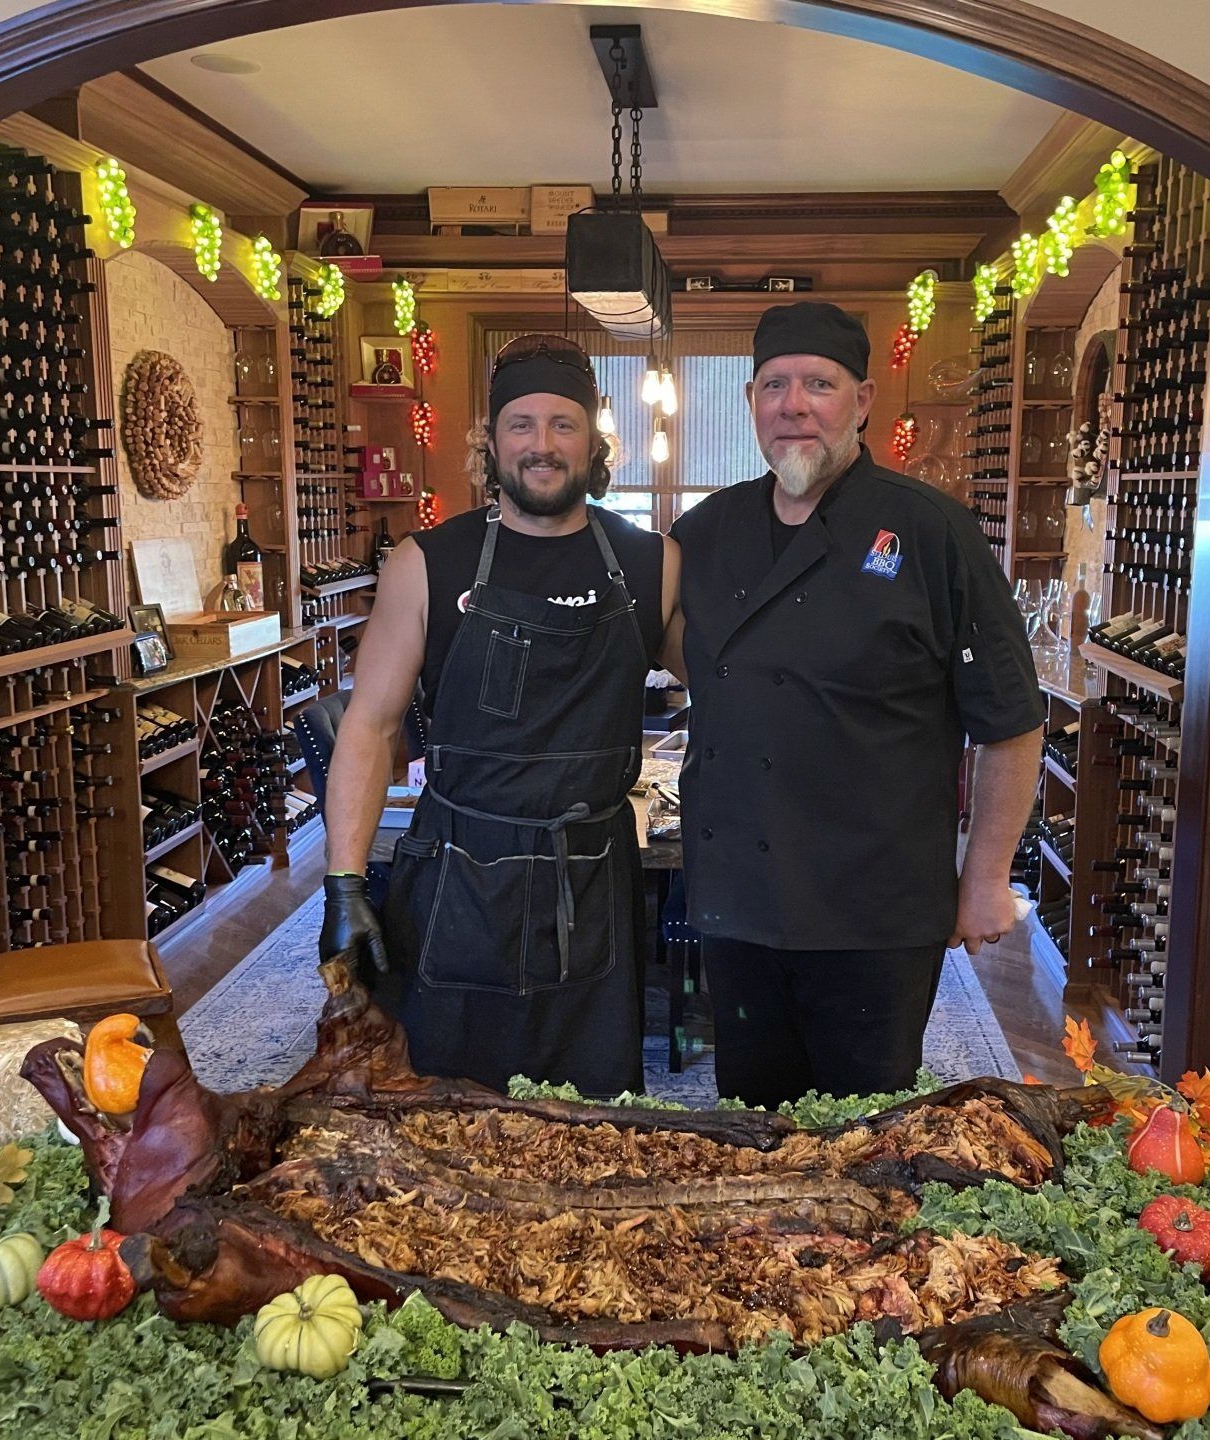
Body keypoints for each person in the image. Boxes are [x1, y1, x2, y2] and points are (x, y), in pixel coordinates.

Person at [664, 301, 1044, 1108]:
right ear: (751, 404)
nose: (793, 404)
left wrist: (985, 879)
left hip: (876, 905)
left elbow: (1011, 724)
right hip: (739, 900)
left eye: (818, 384)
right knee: (753, 1119)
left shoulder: (931, 531)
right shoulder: (704, 531)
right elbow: (678, 651)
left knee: (867, 1131)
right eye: (774, 386)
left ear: (863, 401)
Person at [320, 334, 680, 1096]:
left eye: (563, 424)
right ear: (490, 440)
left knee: (592, 1124)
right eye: (521, 424)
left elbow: (735, 690)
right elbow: (370, 726)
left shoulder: (653, 563)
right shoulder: (427, 561)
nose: (542, 446)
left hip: (592, 880)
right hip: (456, 877)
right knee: (443, 1120)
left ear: (593, 440)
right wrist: (345, 882)